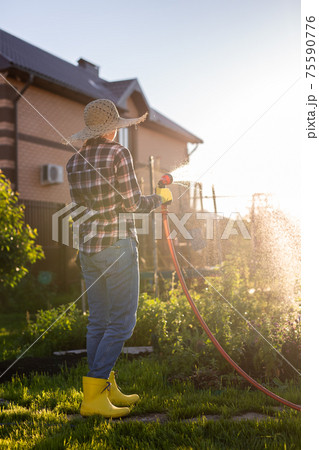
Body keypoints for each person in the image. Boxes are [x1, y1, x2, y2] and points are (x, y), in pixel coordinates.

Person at [65, 99, 172, 418]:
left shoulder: (74, 161)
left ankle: (103, 391)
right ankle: (95, 392)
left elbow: (79, 208)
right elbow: (133, 203)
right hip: (117, 245)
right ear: (111, 129)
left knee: (98, 319)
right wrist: (161, 198)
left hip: (88, 248)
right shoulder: (117, 153)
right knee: (123, 320)